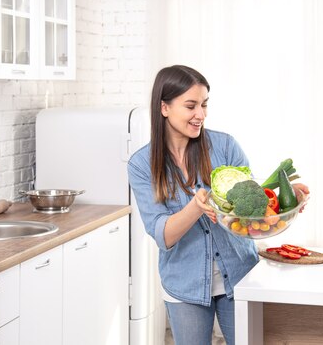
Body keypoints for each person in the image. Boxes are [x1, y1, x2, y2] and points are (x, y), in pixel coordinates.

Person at [128, 65, 309, 345]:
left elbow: (250, 212)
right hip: (184, 286)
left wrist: (285, 199)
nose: (200, 114)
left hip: (239, 277)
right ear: (164, 108)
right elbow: (163, 235)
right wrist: (196, 206)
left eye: (204, 104)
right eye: (191, 106)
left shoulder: (225, 146)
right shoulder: (142, 165)